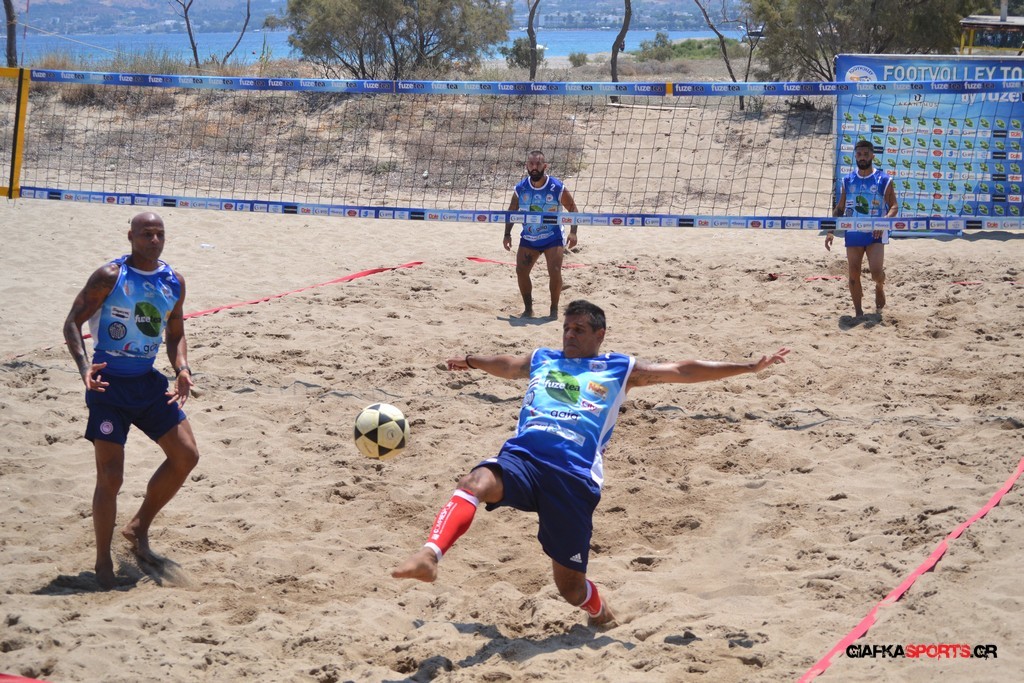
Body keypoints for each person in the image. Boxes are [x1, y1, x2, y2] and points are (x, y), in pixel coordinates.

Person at [392, 299, 789, 625]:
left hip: (573, 477)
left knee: (570, 588)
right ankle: (430, 554)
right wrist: (471, 360)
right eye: (566, 328)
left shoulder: (619, 368)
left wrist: (748, 367)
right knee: (474, 482)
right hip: (525, 459)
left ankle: (600, 613)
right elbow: (508, 365)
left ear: (600, 335)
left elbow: (682, 370)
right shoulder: (543, 359)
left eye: (579, 329)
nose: (569, 335)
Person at [63, 212, 200, 589]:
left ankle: (138, 527)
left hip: (146, 381)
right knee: (111, 476)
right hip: (108, 385)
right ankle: (103, 560)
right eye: (146, 234)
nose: (154, 240)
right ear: (131, 236)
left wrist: (182, 367)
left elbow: (175, 332)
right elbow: (72, 322)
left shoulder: (173, 281)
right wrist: (84, 367)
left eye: (159, 234)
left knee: (186, 455)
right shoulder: (110, 276)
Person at [825, 139, 899, 317]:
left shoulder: (883, 179)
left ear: (872, 155)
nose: (862, 157)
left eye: (866, 154)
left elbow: (894, 206)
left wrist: (883, 222)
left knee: (876, 273)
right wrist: (830, 230)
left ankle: (879, 286)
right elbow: (840, 208)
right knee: (853, 274)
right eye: (859, 154)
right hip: (853, 232)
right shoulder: (848, 180)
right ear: (855, 156)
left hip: (875, 232)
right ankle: (858, 313)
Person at [503, 149, 580, 319]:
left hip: (553, 237)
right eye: (531, 164)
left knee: (555, 271)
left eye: (538, 164)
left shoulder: (556, 187)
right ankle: (528, 309)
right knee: (521, 271)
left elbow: (573, 209)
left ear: (545, 166)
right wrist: (507, 234)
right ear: (527, 166)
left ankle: (553, 310)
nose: (534, 167)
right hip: (529, 237)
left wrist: (573, 232)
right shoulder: (520, 188)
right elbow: (511, 212)